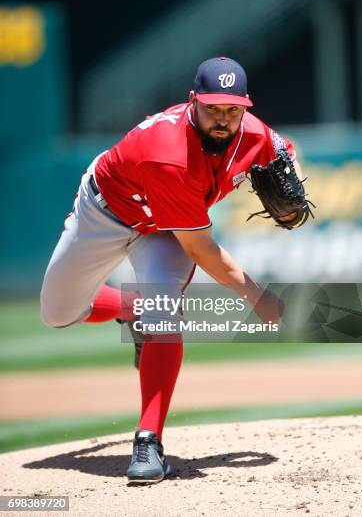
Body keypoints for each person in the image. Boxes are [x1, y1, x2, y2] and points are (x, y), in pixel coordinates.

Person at [40, 57, 306, 484]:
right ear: (192, 102)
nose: (223, 119)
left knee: (162, 311)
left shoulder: (254, 134)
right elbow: (200, 249)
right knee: (56, 313)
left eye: (233, 109)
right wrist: (258, 296)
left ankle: (149, 440)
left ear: (245, 107)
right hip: (107, 213)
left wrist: (291, 178)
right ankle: (132, 308)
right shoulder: (169, 154)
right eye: (213, 108)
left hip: (165, 230)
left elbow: (283, 149)